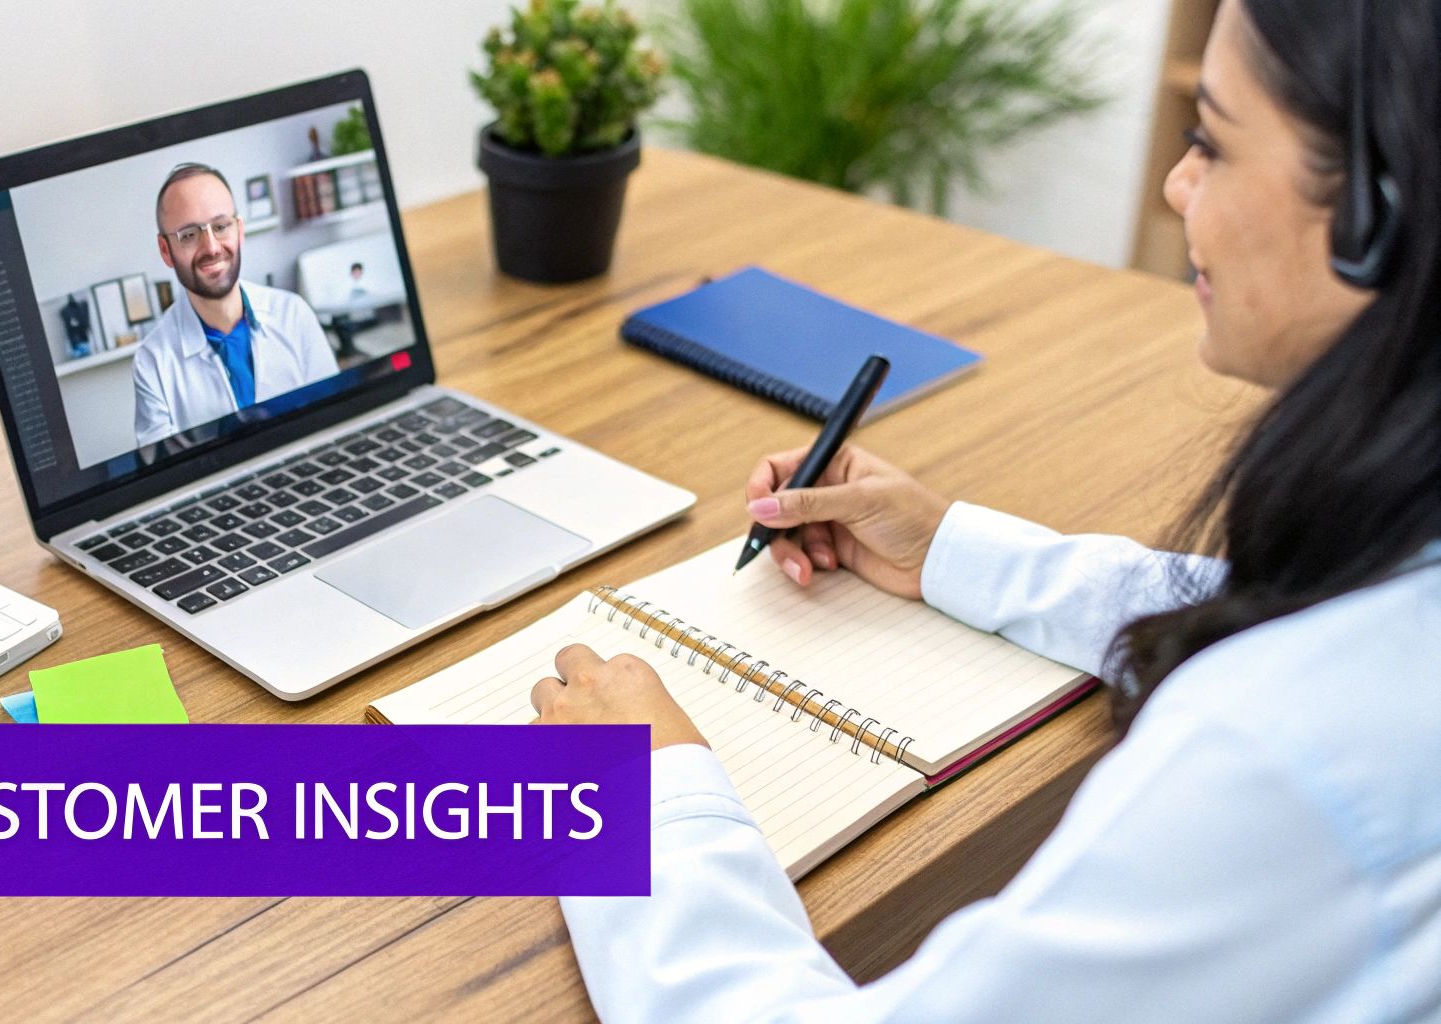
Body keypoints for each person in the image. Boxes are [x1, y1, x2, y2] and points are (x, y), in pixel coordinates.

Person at [531, 0, 1441, 1019]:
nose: (1175, 183)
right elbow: (1278, 603)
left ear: (1376, 221)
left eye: (1213, 143)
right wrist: (946, 550)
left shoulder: (1280, 759)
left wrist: (638, 798)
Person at [132, 163, 338, 448]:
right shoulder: (151, 361)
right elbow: (164, 468)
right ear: (166, 251)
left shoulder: (294, 314)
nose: (211, 247)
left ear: (239, 230)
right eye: (189, 234)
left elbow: (335, 420)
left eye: (220, 227)